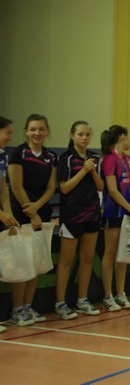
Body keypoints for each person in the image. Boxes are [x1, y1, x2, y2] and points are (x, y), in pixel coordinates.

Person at [7, 114, 58, 326]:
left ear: (47, 131)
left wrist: (38, 207)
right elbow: (16, 187)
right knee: (22, 263)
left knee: (35, 263)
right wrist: (32, 211)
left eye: (41, 129)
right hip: (21, 214)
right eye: (33, 129)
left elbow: (51, 187)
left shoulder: (51, 156)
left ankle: (28, 306)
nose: (37, 133)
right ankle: (17, 310)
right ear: (26, 131)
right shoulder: (18, 153)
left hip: (41, 214)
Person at [54, 121, 105, 320]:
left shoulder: (94, 158)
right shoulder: (66, 158)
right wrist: (83, 170)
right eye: (80, 134)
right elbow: (64, 188)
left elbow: (100, 187)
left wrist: (92, 171)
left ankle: (82, 300)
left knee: (87, 258)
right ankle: (60, 303)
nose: (84, 138)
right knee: (66, 260)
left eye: (87, 134)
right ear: (72, 136)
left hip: (92, 214)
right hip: (72, 215)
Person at [100, 125, 130, 311]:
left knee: (123, 253)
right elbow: (113, 190)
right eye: (128, 136)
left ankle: (120, 293)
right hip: (113, 212)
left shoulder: (129, 159)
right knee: (110, 253)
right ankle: (107, 296)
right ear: (122, 137)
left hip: (129, 213)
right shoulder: (109, 159)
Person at [0, 116, 19, 334]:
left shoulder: (3, 155)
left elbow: (3, 190)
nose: (10, 137)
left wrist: (10, 217)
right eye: (7, 133)